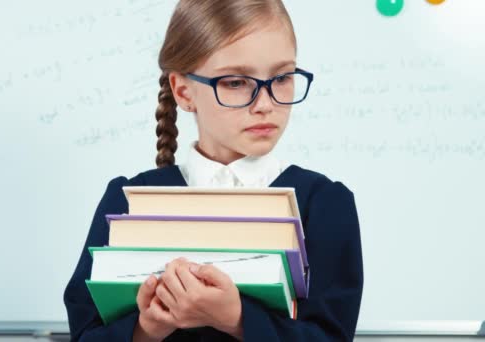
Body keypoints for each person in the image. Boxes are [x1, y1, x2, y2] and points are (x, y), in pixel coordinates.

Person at [64, 0, 364, 340]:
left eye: (282, 78)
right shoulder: (128, 202)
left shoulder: (324, 204)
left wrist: (237, 319)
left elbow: (331, 336)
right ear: (184, 91)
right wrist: (148, 328)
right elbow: (85, 332)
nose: (265, 104)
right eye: (236, 82)